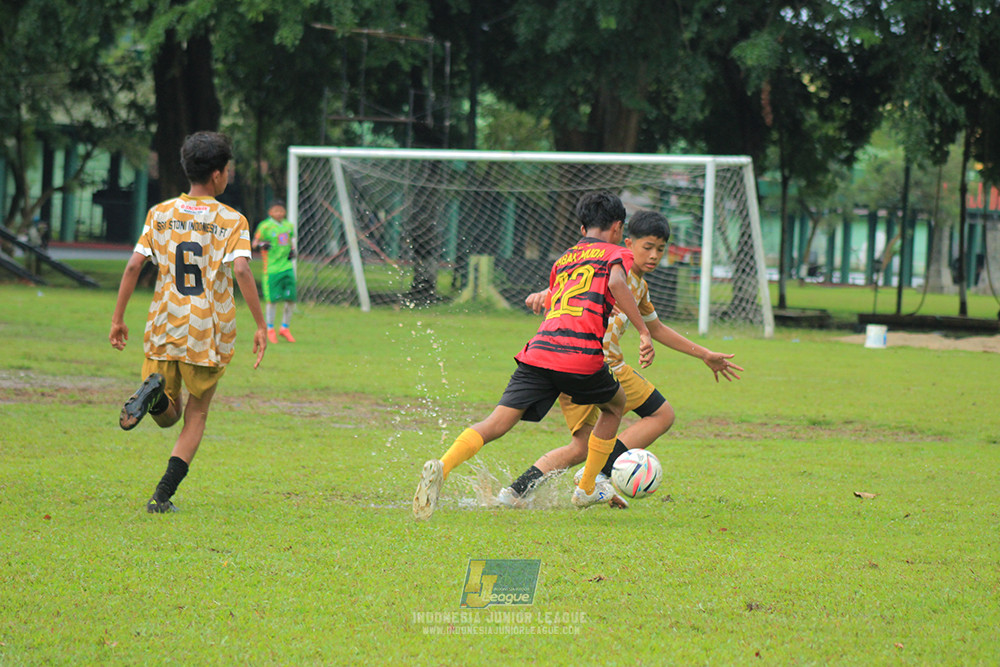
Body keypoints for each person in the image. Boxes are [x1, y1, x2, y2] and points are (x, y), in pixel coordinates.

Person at [412, 191, 655, 520]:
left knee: (496, 422)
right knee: (615, 405)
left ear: (583, 229)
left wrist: (540, 296)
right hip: (581, 354)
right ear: (617, 227)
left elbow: (560, 297)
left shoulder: (565, 258)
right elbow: (615, 282)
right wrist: (642, 330)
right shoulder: (617, 253)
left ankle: (443, 465)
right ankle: (586, 488)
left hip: (539, 350)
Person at [498, 210, 743, 508]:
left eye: (660, 249)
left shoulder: (640, 285)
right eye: (647, 247)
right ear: (628, 242)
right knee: (643, 422)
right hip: (589, 364)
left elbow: (657, 328)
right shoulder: (616, 267)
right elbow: (575, 282)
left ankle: (520, 491)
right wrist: (543, 292)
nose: (654, 255)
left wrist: (705, 354)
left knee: (591, 443)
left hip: (602, 366)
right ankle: (592, 478)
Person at [109, 131, 267, 514]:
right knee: (195, 414)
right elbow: (242, 270)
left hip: (164, 324)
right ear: (217, 174)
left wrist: (118, 319)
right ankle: (161, 496)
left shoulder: (159, 213)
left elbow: (133, 265)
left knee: (168, 415)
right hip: (205, 331)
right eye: (227, 169)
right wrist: (261, 325)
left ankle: (157, 395)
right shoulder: (232, 219)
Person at [252, 199, 297, 343]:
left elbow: (291, 242)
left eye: (281, 210)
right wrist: (262, 244)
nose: (279, 213)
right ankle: (270, 328)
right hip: (271, 270)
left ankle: (285, 327)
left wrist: (293, 251)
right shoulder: (265, 226)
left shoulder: (288, 226)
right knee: (272, 301)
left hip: (287, 268)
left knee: (291, 299)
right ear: (270, 212)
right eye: (276, 210)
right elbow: (254, 243)